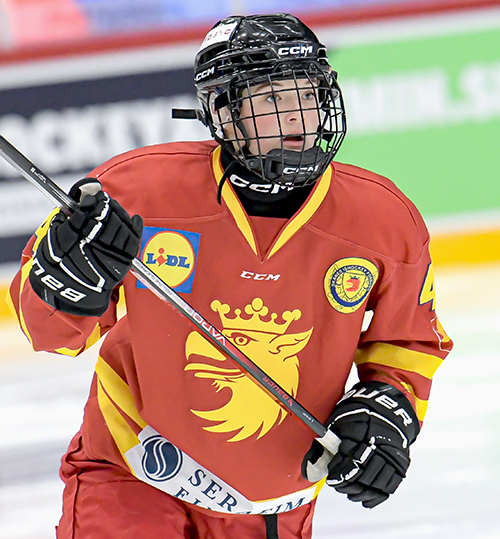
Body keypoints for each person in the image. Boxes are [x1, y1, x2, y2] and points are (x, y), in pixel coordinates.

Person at [9, 13, 453, 539]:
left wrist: (387, 410)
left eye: (306, 94)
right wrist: (66, 282)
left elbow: (408, 342)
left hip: (274, 501)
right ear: (222, 110)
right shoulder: (134, 191)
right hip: (129, 471)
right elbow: (51, 335)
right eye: (271, 99)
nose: (297, 117)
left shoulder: (383, 219)